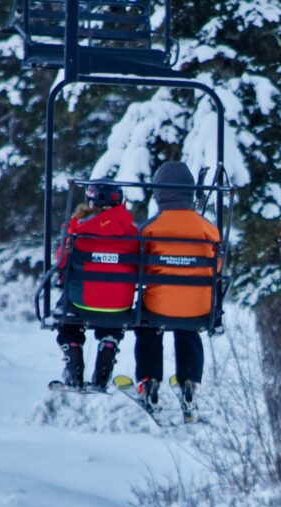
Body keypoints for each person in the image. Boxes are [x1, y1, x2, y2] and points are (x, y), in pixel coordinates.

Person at [134, 160, 220, 420]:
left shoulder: (150, 228)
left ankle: (149, 381)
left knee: (148, 327)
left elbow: (138, 267)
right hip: (198, 306)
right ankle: (189, 383)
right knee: (188, 327)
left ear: (159, 192)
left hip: (160, 304)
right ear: (190, 191)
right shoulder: (207, 228)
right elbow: (217, 265)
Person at [55, 181, 138, 389]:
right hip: (119, 304)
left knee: (67, 312)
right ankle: (108, 344)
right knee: (110, 309)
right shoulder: (133, 232)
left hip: (81, 301)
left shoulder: (76, 228)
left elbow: (62, 263)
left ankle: (73, 354)